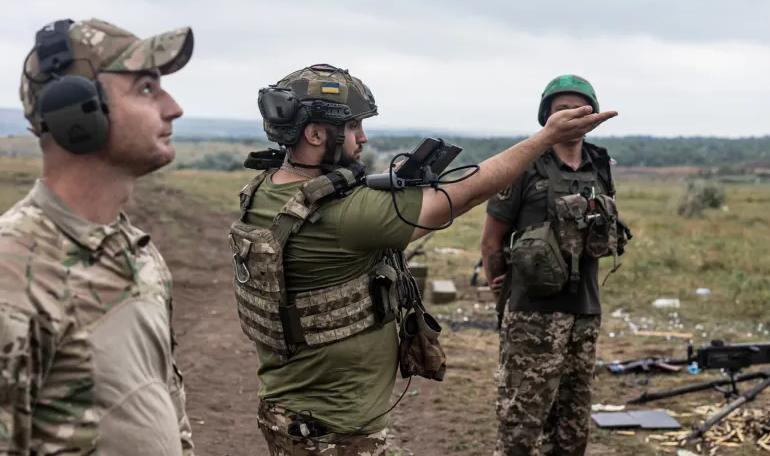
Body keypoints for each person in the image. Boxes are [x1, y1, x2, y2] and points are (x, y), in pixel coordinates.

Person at [226, 64, 617, 456]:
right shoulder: (347, 216)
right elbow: (464, 193)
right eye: (353, 127)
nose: (362, 138)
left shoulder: (264, 190)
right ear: (315, 134)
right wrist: (546, 138)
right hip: (335, 430)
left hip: (290, 413)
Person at [0, 18, 197, 455]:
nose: (173, 107)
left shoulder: (137, 252)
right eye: (145, 88)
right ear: (77, 110)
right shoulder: (1, 276)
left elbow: (167, 413)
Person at [480, 74, 632, 456]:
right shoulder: (524, 165)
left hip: (585, 309)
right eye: (561, 109)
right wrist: (499, 283)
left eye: (580, 108)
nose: (571, 115)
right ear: (546, 116)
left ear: (593, 116)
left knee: (572, 423)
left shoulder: (599, 166)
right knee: (521, 420)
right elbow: (491, 239)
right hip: (533, 313)